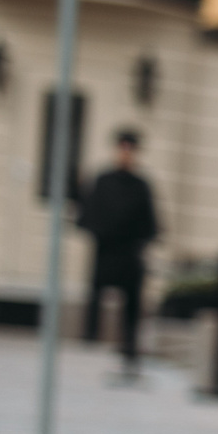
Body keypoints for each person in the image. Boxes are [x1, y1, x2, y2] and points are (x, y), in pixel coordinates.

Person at [77, 128, 159, 374]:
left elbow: (150, 223)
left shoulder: (141, 185)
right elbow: (89, 214)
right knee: (95, 292)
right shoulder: (103, 180)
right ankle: (90, 334)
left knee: (133, 299)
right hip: (105, 250)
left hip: (129, 253)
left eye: (130, 149)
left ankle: (129, 342)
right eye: (122, 148)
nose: (126, 154)